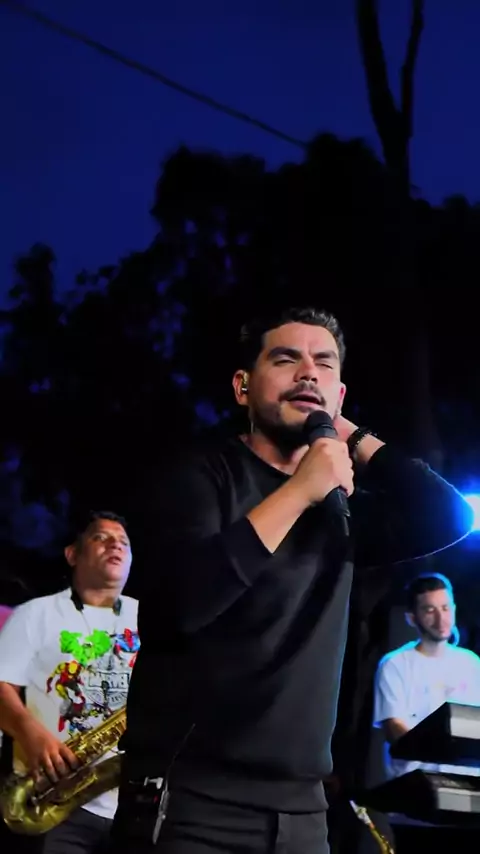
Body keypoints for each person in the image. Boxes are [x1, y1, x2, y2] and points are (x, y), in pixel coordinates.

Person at [111, 306, 473, 854]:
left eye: (323, 365)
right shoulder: (197, 477)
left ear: (339, 394)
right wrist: (300, 489)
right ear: (242, 386)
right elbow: (177, 607)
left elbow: (449, 516)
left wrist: (348, 433)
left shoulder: (342, 508)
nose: (307, 372)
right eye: (285, 360)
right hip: (192, 803)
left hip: (303, 811)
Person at [0, 510, 139, 854]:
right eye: (101, 538)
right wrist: (29, 732)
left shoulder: (151, 617)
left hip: (135, 806)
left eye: (123, 542)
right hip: (54, 800)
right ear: (73, 554)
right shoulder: (35, 614)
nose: (115, 545)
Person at [374, 572, 480, 779]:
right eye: (430, 610)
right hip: (416, 784)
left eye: (445, 608)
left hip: (467, 783)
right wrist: (443, 751)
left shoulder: (471, 663)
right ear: (412, 618)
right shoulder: (395, 664)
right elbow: (394, 728)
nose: (441, 618)